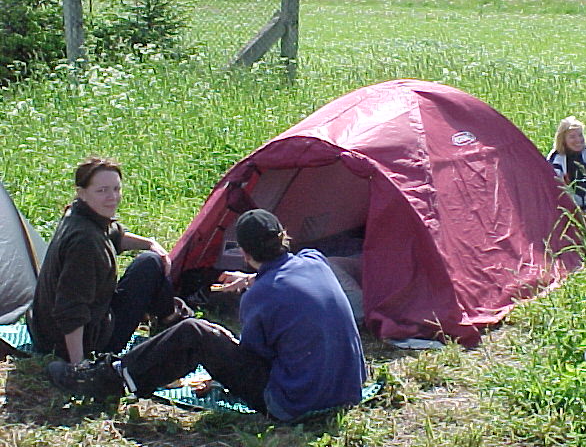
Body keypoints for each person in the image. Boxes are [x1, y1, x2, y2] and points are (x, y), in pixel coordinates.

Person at [46, 209, 367, 422]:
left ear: (244, 253)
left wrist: (223, 346)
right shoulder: (314, 260)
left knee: (195, 333)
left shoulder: (260, 297)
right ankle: (124, 368)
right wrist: (252, 279)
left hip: (292, 402)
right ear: (283, 236)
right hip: (347, 389)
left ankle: (107, 379)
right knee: (205, 332)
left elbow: (255, 356)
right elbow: (285, 274)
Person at [27, 157, 191, 364]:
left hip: (43, 332)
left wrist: (150, 243)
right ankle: (170, 318)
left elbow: (115, 235)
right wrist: (79, 363)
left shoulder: (78, 214)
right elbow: (71, 309)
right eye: (102, 190)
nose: (112, 197)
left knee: (151, 257)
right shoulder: (85, 242)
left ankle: (168, 316)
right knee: (150, 264)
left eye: (116, 189)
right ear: (82, 193)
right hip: (82, 342)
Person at [547, 115, 586, 214]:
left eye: (580, 135)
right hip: (568, 206)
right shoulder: (556, 157)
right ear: (563, 140)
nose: (578, 140)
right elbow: (554, 184)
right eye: (572, 137)